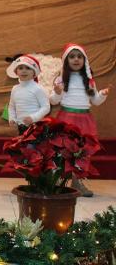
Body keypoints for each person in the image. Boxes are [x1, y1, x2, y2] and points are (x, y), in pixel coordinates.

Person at [50, 43, 111, 197]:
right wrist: (57, 93)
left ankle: (78, 181)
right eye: (72, 56)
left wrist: (102, 94)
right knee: (62, 150)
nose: (76, 59)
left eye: (79, 57)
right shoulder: (61, 80)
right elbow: (53, 101)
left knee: (82, 152)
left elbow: (95, 101)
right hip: (66, 118)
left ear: (85, 60)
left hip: (85, 119)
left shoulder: (89, 81)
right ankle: (57, 181)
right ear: (66, 60)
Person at [6, 55, 50, 135]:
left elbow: (46, 107)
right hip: (21, 128)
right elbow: (11, 107)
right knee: (22, 147)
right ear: (16, 72)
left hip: (36, 128)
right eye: (21, 68)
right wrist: (12, 119)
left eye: (28, 68)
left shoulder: (38, 88)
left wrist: (33, 118)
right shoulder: (15, 89)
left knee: (32, 147)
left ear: (34, 72)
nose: (24, 71)